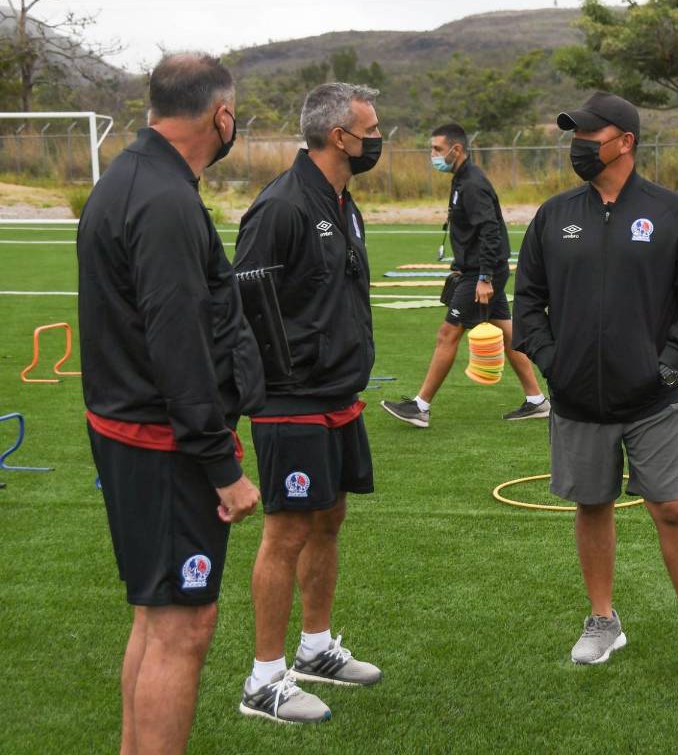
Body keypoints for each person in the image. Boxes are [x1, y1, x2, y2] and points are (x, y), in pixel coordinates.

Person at [514, 91, 678, 687]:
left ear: (626, 141)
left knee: (674, 510)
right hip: (578, 397)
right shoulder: (554, 215)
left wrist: (669, 363)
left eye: (590, 134)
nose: (579, 145)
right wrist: (553, 361)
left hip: (654, 399)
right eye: (575, 134)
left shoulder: (672, 213)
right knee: (593, 504)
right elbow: (527, 301)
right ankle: (602, 618)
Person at [77, 52, 264, 755]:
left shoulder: (131, 178)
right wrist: (223, 468)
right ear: (221, 116)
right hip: (164, 447)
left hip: (135, 435)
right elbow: (178, 345)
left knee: (156, 618)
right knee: (182, 628)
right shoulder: (161, 200)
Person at [233, 82, 384, 723]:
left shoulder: (341, 201)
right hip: (289, 399)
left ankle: (316, 648)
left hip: (338, 393)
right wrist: (273, 384)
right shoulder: (282, 206)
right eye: (371, 129)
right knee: (287, 530)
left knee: (329, 518)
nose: (379, 138)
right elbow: (243, 307)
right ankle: (264, 681)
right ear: (339, 137)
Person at [381, 123, 547, 427]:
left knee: (448, 334)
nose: (432, 155)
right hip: (477, 270)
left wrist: (484, 277)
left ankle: (420, 407)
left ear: (456, 150)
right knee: (511, 336)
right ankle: (538, 400)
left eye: (437, 149)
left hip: (482, 274)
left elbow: (490, 231)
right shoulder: (461, 179)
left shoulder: (472, 184)